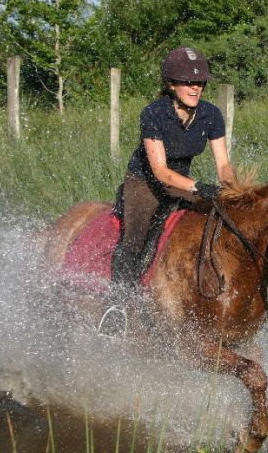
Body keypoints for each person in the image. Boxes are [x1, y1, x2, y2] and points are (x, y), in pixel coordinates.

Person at [98, 46, 235, 337]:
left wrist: (232, 190)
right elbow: (160, 172)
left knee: (213, 217)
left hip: (182, 181)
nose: (194, 87)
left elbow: (223, 165)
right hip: (145, 182)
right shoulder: (154, 114)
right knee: (136, 237)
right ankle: (117, 305)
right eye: (187, 82)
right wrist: (199, 186)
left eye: (199, 83)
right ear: (171, 85)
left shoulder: (211, 115)